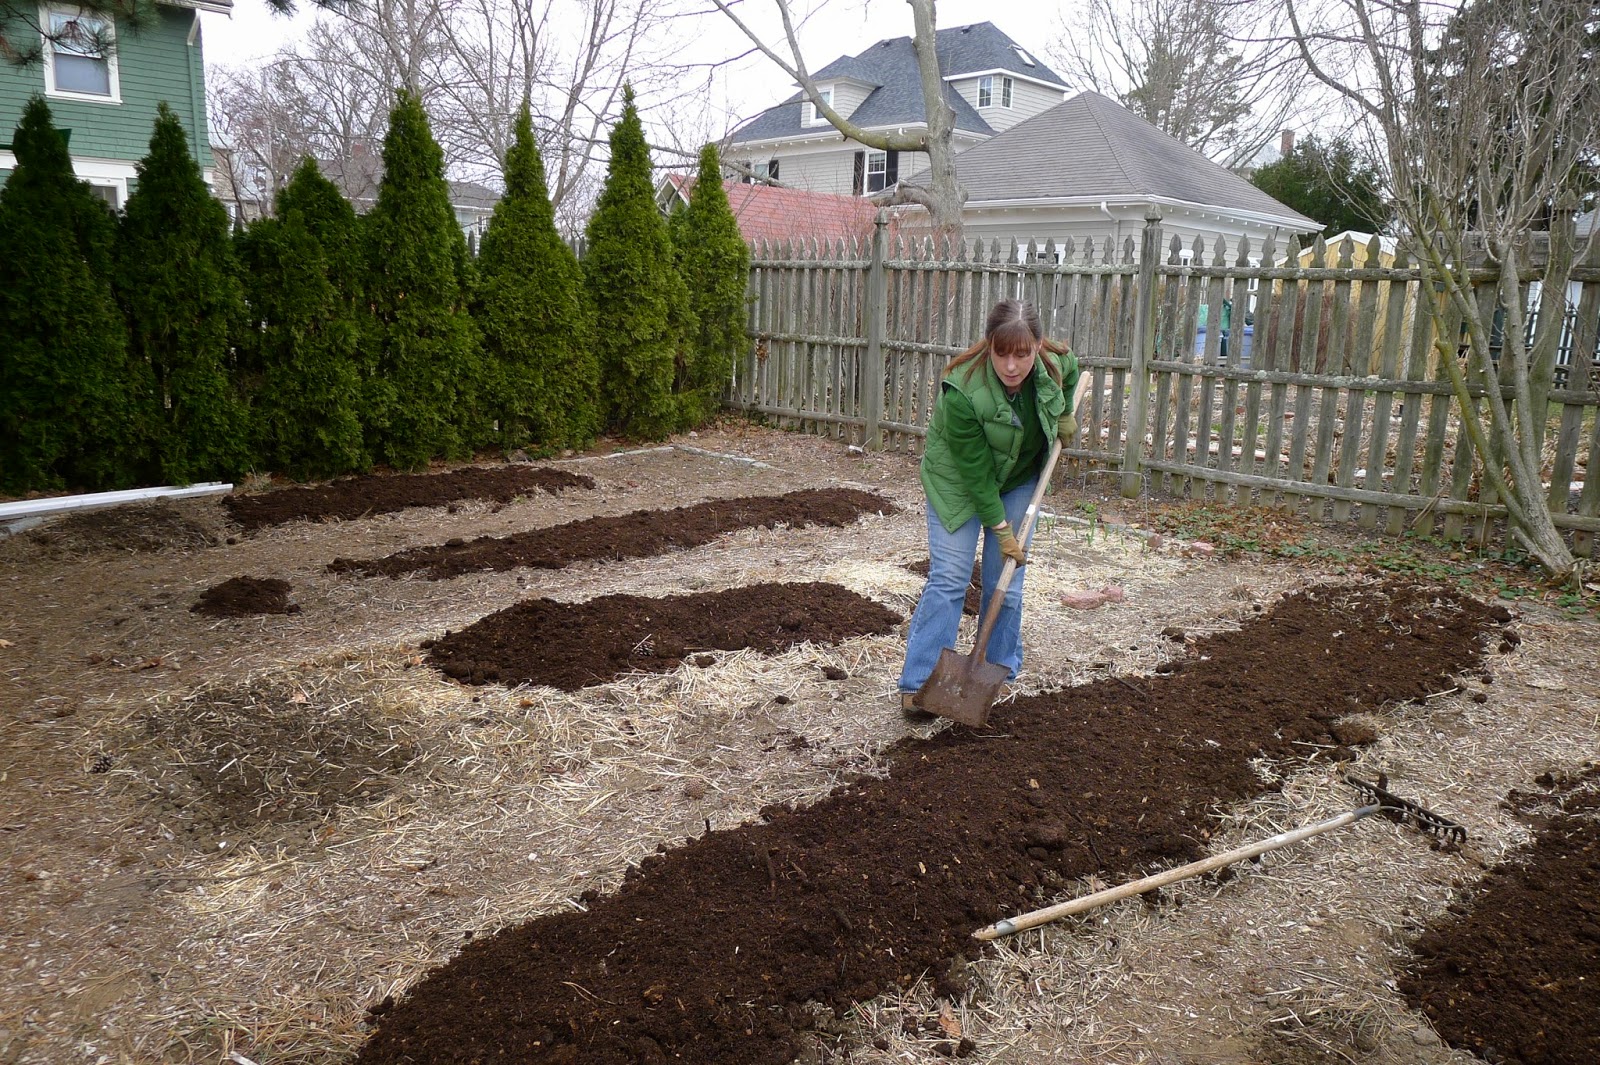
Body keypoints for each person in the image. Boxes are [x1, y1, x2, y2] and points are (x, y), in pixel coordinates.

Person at [897, 298, 1080, 716]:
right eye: (1001, 353)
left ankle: (997, 670)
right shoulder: (962, 389)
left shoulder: (1054, 363)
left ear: (1038, 347)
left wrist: (1064, 412)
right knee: (950, 578)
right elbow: (977, 475)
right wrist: (1000, 529)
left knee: (1007, 582)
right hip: (959, 484)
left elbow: (1071, 372)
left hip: (1018, 480)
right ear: (989, 344)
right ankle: (918, 683)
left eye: (1022, 354)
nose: (1011, 366)